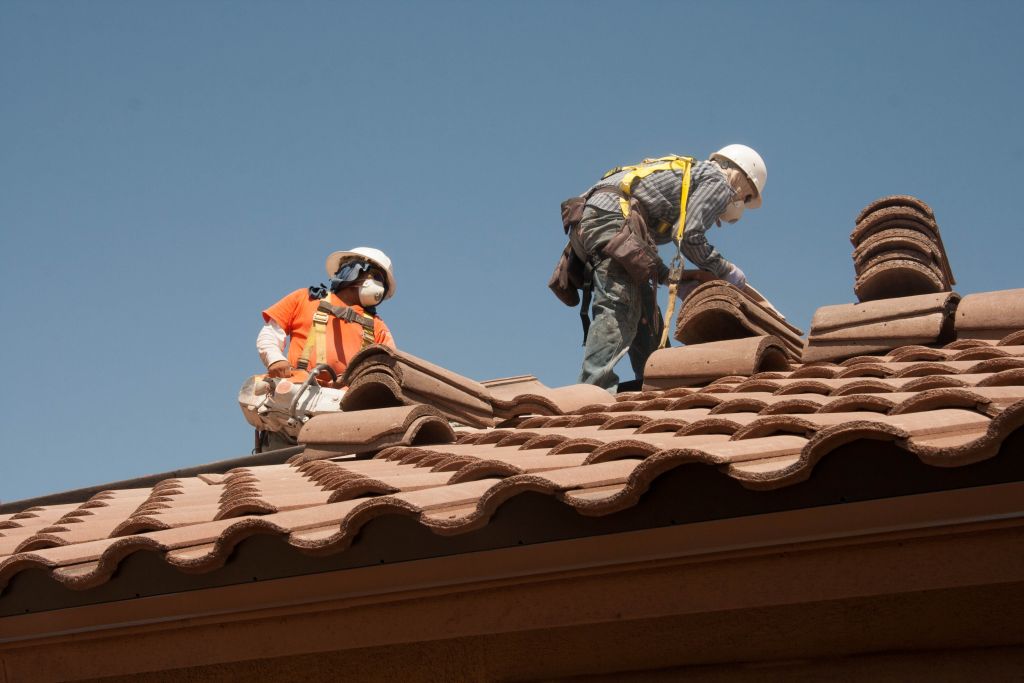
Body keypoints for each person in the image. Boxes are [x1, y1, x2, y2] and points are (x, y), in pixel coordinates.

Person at [568, 144, 767, 390]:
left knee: (645, 313)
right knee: (621, 305)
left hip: (594, 219)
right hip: (611, 220)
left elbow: (640, 243)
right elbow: (688, 233)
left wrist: (671, 278)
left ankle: (657, 384)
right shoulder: (719, 181)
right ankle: (590, 391)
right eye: (747, 197)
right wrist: (724, 269)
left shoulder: (689, 174)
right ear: (746, 176)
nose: (740, 200)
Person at [254, 247, 397, 450]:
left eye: (381, 280)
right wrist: (275, 359)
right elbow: (270, 334)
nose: (378, 286)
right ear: (353, 270)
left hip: (344, 411)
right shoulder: (305, 299)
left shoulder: (376, 325)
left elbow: (389, 369)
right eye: (374, 276)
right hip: (295, 404)